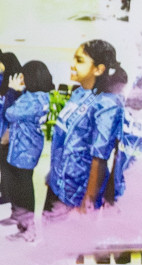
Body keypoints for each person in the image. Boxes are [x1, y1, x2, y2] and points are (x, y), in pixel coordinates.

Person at [46, 41, 123, 215]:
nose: (72, 65)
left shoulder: (107, 104)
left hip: (78, 194)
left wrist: (87, 203)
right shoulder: (79, 93)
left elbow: (99, 158)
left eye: (79, 61)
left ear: (98, 69)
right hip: (58, 184)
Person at [2, 60, 52, 235]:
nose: (21, 79)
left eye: (23, 76)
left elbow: (9, 114)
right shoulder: (40, 96)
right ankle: (19, 217)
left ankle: (27, 228)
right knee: (20, 186)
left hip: (24, 149)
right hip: (26, 146)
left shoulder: (32, 98)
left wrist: (11, 91)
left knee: (23, 189)